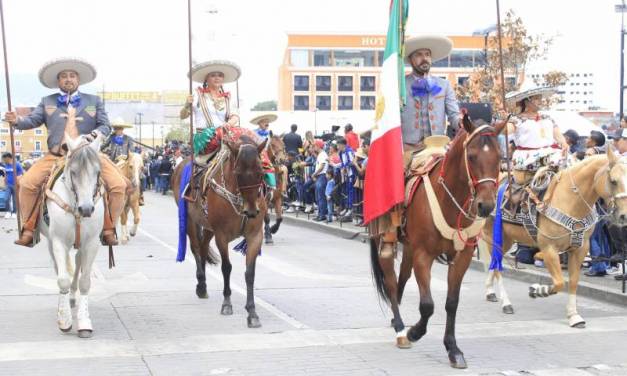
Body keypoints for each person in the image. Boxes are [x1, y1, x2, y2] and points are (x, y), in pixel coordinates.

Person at [3, 58, 127, 246]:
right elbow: (32, 121)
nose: (68, 79)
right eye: (63, 76)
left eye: (72, 76)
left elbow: (105, 126)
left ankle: (109, 228)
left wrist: (94, 134)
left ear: (78, 79)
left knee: (119, 185)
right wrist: (16, 120)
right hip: (56, 156)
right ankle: (29, 229)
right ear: (58, 81)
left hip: (88, 155)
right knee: (27, 184)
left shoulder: (94, 101)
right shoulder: (47, 101)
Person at [374, 35, 462, 255]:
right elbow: (389, 117)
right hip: (409, 149)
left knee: (462, 177)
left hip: (439, 147)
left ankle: (461, 229)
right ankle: (390, 233)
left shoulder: (444, 85)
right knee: (394, 180)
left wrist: (466, 123)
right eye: (420, 55)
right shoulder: (399, 86)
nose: (425, 59)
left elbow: (454, 114)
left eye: (428, 55)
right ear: (411, 59)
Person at [502, 81, 569, 186]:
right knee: (555, 160)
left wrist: (564, 144)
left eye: (540, 98)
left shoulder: (547, 118)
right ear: (527, 101)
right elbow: (505, 131)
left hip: (550, 153)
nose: (540, 101)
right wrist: (505, 121)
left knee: (570, 160)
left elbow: (558, 135)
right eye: (537, 98)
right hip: (528, 157)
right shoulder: (517, 119)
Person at [180, 60, 241, 164]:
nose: (217, 78)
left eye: (220, 75)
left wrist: (229, 124)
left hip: (225, 135)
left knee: (247, 139)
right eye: (213, 75)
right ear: (206, 79)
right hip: (205, 138)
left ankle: (267, 173)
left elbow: (235, 116)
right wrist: (186, 104)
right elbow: (182, 116)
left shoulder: (228, 97)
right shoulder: (197, 95)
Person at [337, 137, 356, 222]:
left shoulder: (349, 151)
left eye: (338, 145)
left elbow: (352, 162)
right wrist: (342, 168)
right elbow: (342, 162)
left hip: (351, 173)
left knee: (351, 191)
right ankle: (347, 207)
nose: (337, 147)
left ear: (342, 144)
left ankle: (350, 208)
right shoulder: (341, 152)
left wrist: (345, 167)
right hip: (346, 174)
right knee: (346, 191)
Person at [0, 152, 24, 219]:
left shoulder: (17, 165)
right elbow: (6, 174)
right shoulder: (6, 165)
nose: (3, 160)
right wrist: (5, 179)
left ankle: (14, 212)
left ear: (8, 158)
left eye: (4, 159)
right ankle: (8, 211)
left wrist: (18, 181)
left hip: (15, 185)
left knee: (15, 200)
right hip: (8, 185)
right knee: (6, 198)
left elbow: (21, 174)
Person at [311, 139, 329, 222]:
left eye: (314, 146)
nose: (314, 147)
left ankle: (322, 215)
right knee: (318, 196)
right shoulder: (321, 154)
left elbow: (321, 166)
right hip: (320, 176)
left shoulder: (322, 154)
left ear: (318, 146)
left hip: (321, 176)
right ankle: (320, 214)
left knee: (320, 196)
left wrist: (314, 174)